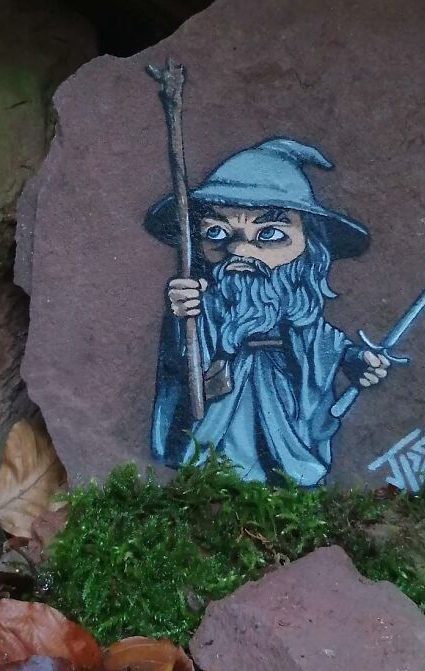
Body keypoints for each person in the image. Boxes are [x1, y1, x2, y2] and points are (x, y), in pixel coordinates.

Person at [144, 137, 392, 486]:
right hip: (213, 434)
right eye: (216, 232)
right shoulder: (204, 304)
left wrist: (356, 361)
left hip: (290, 438)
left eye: (271, 234)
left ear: (309, 245)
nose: (239, 250)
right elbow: (182, 362)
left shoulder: (298, 311)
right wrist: (183, 316)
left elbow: (326, 345)